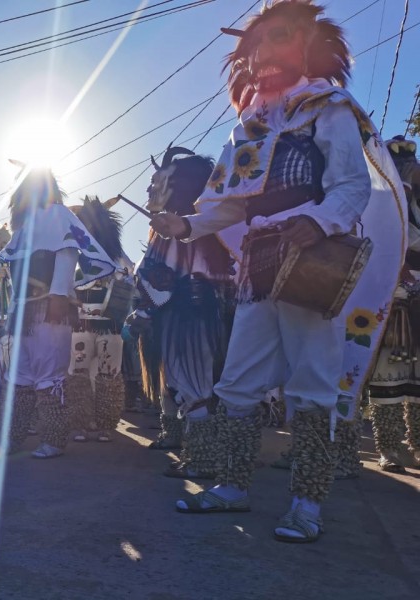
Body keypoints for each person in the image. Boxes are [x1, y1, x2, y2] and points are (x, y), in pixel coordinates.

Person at [149, 0, 405, 542]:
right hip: (258, 265)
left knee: (312, 385)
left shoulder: (329, 107)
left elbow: (351, 187)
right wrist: (185, 227)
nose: (263, 53)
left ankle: (306, 505)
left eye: (277, 38)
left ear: (309, 44)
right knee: (237, 379)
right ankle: (233, 486)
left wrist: (318, 221)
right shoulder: (248, 128)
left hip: (314, 263)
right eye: (255, 45)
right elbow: (228, 205)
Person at [128, 148, 235, 480]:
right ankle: (202, 453)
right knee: (198, 382)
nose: (149, 190)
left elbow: (159, 275)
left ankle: (202, 460)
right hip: (208, 313)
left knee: (191, 383)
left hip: (186, 315)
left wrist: (142, 311)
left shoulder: (176, 227)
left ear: (177, 186)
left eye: (157, 182)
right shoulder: (207, 228)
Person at [0, 167, 115, 458]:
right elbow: (15, 274)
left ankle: (53, 439)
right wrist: (12, 310)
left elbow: (67, 254)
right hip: (24, 312)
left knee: (49, 372)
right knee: (21, 375)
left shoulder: (59, 216)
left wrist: (59, 296)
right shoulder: (25, 226)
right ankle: (14, 437)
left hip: (50, 309)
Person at [365, 135, 420, 472]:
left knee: (416, 382)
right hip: (393, 298)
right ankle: (388, 447)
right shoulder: (382, 199)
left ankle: (415, 443)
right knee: (388, 376)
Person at [68, 196, 134, 444]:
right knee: (79, 373)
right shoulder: (73, 255)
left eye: (94, 224)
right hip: (81, 325)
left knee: (108, 374)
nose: (90, 229)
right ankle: (81, 422)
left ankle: (106, 423)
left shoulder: (118, 257)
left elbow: (128, 281)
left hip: (109, 326)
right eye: (85, 224)